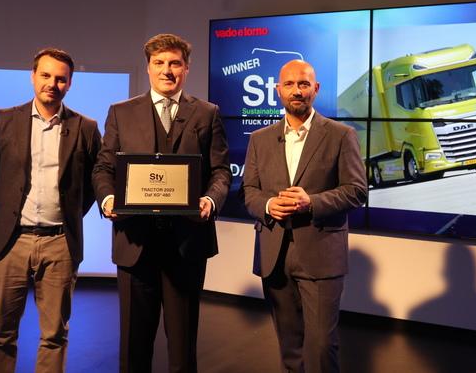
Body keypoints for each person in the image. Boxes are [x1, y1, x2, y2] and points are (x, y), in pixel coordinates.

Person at [92, 33, 231, 372]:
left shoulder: (207, 113)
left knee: (183, 348)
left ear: (186, 68)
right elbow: (103, 167)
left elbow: (221, 172)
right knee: (133, 348)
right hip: (134, 243)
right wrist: (108, 199)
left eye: (175, 63)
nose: (167, 70)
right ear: (148, 67)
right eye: (159, 63)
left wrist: (210, 201)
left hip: (187, 244)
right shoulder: (121, 112)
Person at [0, 48, 102, 373]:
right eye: (45, 75)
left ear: (69, 83)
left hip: (60, 243)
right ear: (33, 77)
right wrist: (7, 216)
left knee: (54, 336)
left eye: (60, 79)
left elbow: (96, 182)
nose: (52, 84)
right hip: (9, 243)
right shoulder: (4, 120)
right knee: (1, 334)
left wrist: (70, 215)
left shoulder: (86, 127)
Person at [242, 59, 367, 373]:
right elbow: (250, 191)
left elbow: (356, 190)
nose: (296, 91)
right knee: (290, 347)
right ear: (278, 90)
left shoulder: (341, 135)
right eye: (289, 84)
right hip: (274, 255)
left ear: (316, 88)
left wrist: (311, 202)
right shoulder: (259, 138)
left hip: (321, 255)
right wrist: (268, 205)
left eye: (303, 84)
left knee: (322, 346)